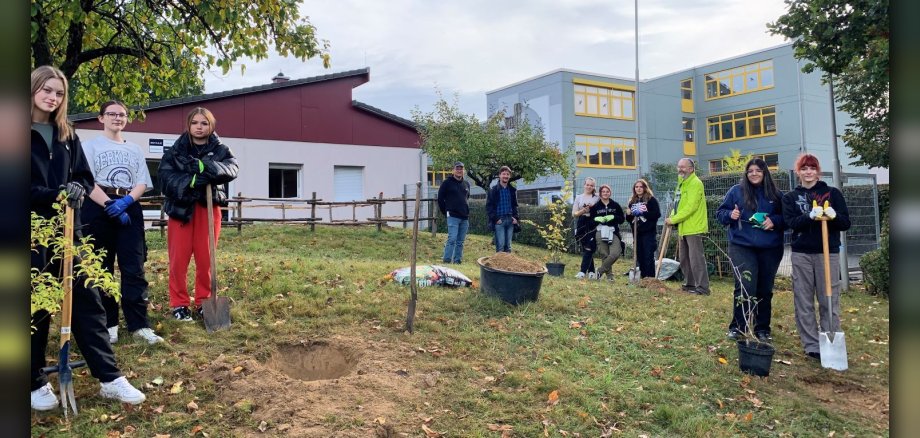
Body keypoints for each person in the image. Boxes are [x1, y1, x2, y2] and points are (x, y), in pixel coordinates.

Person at [31, 65, 145, 411]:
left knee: (87, 302)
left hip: (69, 231)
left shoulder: (67, 134)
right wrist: (53, 194)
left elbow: (81, 174)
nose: (53, 97)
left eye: (60, 92)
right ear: (33, 89)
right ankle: (33, 380)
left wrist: (77, 187)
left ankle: (110, 377)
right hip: (31, 232)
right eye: (47, 90)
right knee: (34, 307)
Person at [81, 100, 163, 345]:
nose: (117, 118)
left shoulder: (135, 149)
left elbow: (141, 182)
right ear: (101, 118)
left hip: (129, 206)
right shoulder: (89, 146)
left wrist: (126, 202)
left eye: (122, 114)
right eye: (112, 114)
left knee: (134, 267)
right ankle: (109, 324)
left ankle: (139, 325)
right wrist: (109, 205)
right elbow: (87, 181)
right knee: (100, 267)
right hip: (98, 206)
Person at [157, 107, 239, 321]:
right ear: (189, 125)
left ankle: (205, 301)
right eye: (195, 123)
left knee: (206, 259)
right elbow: (165, 177)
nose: (199, 127)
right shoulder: (176, 150)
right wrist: (191, 182)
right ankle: (179, 304)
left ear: (211, 126)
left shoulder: (220, 149)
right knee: (178, 260)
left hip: (208, 209)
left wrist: (208, 167)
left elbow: (232, 168)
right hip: (181, 210)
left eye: (204, 123)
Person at [782, 153, 851, 360]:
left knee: (829, 298)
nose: (808, 172)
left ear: (817, 171)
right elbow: (790, 223)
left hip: (827, 253)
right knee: (803, 300)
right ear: (798, 172)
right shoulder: (790, 197)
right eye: (804, 168)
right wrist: (809, 216)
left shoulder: (833, 193)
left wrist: (834, 216)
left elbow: (845, 223)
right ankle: (811, 344)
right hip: (802, 253)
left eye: (812, 168)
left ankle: (830, 336)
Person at [716, 158, 785, 342]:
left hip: (770, 248)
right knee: (745, 286)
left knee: (764, 288)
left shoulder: (776, 195)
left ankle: (762, 328)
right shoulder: (736, 192)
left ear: (765, 173)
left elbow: (787, 218)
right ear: (746, 174)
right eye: (750, 171)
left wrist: (775, 221)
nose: (754, 174)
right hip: (742, 246)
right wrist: (730, 215)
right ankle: (739, 326)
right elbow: (720, 214)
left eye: (758, 170)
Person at [665, 158, 710, 295]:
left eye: (683, 167)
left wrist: (674, 219)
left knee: (696, 259)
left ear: (691, 169)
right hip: (683, 227)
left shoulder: (695, 183)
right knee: (684, 258)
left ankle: (702, 288)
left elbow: (691, 207)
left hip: (693, 227)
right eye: (678, 166)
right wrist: (672, 217)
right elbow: (677, 205)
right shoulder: (681, 183)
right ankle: (690, 284)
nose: (680, 169)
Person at [625, 178, 661, 279]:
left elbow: (657, 214)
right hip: (637, 232)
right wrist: (628, 214)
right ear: (634, 189)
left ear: (645, 188)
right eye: (636, 187)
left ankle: (650, 278)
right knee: (640, 255)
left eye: (641, 187)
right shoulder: (632, 201)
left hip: (648, 232)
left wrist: (643, 213)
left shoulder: (651, 200)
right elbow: (628, 219)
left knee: (648, 255)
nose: (639, 189)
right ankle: (642, 276)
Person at [437, 161, 471, 264]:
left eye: (461, 168)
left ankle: (457, 261)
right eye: (457, 168)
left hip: (464, 217)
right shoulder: (446, 183)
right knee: (452, 238)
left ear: (463, 170)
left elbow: (467, 198)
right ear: (453, 170)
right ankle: (447, 260)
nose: (459, 170)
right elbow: (440, 198)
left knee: (460, 241)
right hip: (452, 216)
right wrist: (446, 211)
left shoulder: (466, 184)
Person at [589, 184, 625, 280]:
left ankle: (599, 271)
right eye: (603, 192)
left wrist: (614, 217)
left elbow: (622, 219)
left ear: (610, 193)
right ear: (600, 193)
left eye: (607, 191)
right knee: (604, 254)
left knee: (615, 253)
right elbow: (590, 222)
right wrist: (596, 219)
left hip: (613, 232)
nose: (605, 193)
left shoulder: (615, 205)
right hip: (600, 232)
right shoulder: (595, 207)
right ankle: (610, 277)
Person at [485, 166, 519, 253]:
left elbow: (515, 206)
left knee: (508, 247)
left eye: (507, 174)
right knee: (500, 246)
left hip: (510, 220)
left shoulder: (512, 190)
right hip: (499, 220)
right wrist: (495, 219)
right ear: (499, 175)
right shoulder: (493, 190)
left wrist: (516, 218)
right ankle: (498, 266)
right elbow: (489, 207)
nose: (506, 176)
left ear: (509, 176)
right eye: (503, 174)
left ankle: (507, 266)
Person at [572, 177, 600, 279]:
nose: (589, 187)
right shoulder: (579, 197)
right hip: (581, 223)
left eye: (591, 185)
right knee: (586, 247)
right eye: (587, 184)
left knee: (589, 246)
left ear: (594, 187)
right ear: (584, 185)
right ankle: (592, 271)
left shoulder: (597, 197)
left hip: (593, 223)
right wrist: (583, 210)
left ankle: (582, 271)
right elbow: (574, 213)